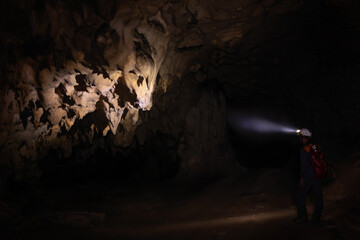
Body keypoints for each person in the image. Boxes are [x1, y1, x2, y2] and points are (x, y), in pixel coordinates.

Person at [294, 128, 323, 224]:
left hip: (308, 176)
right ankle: (317, 218)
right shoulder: (316, 147)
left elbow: (303, 165)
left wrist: (302, 177)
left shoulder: (304, 149)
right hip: (318, 175)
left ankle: (303, 217)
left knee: (299, 195)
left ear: (303, 138)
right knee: (318, 197)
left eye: (301, 138)